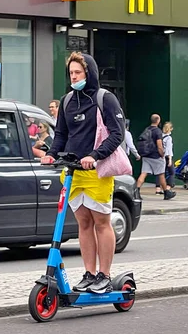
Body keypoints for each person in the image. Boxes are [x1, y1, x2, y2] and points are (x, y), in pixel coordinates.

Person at [41, 52, 125, 294]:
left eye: (79, 72)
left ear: (89, 73)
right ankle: (89, 273)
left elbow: (117, 134)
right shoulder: (67, 100)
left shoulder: (105, 99)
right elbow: (61, 135)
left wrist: (95, 155)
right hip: (73, 171)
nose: (74, 77)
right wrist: (52, 154)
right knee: (84, 223)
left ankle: (104, 276)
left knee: (101, 222)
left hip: (96, 171)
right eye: (71, 73)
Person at [135, 114, 176, 200]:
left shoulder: (147, 129)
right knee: (161, 174)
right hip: (155, 156)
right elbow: (159, 145)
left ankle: (136, 191)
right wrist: (162, 154)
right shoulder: (157, 131)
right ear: (158, 121)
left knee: (143, 173)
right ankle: (166, 192)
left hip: (146, 155)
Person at [155, 122, 175, 194]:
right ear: (171, 129)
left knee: (159, 172)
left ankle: (158, 189)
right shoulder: (169, 138)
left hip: (160, 156)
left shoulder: (160, 136)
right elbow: (169, 149)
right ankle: (168, 187)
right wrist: (170, 159)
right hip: (166, 156)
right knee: (172, 172)